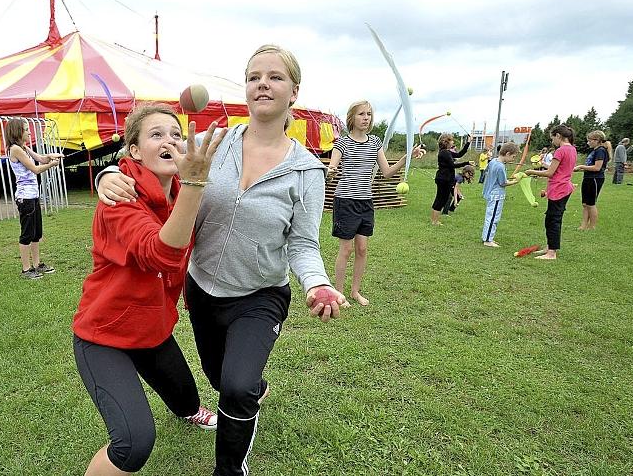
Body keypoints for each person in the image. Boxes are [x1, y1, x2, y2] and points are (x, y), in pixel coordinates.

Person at [97, 44, 346, 476]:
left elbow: (304, 244)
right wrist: (108, 175)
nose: (262, 84)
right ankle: (253, 388)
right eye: (254, 77)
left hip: (259, 294)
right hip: (203, 289)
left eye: (274, 77)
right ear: (246, 89)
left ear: (294, 92)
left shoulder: (307, 171)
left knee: (235, 386)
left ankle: (230, 469)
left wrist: (317, 282)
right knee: (219, 376)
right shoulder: (213, 144)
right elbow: (149, 161)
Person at [73, 103, 226, 475]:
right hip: (104, 337)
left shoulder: (178, 190)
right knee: (133, 444)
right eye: (156, 134)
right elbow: (160, 254)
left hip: (153, 331)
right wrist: (192, 184)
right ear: (135, 151)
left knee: (187, 400)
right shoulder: (120, 198)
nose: (170, 141)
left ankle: (190, 411)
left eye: (176, 134)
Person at [326, 100, 423, 306]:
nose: (366, 118)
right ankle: (339, 293)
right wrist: (330, 172)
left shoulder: (375, 142)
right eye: (361, 114)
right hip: (346, 201)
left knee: (362, 249)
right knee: (346, 250)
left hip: (365, 202)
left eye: (369, 114)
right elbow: (332, 170)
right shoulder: (342, 143)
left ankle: (355, 291)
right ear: (352, 117)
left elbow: (387, 172)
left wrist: (407, 157)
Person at [4, 118, 63, 279]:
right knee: (27, 234)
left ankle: (37, 264)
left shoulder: (24, 148)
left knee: (36, 233)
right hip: (25, 198)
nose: (29, 132)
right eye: (26, 129)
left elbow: (41, 159)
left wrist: (51, 156)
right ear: (18, 132)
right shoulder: (15, 149)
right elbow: (36, 169)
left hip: (33, 196)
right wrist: (51, 165)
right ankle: (26, 269)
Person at [525, 124, 576, 260]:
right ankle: (549, 247)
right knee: (550, 218)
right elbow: (558, 168)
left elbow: (550, 173)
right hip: (564, 188)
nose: (552, 141)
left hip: (559, 189)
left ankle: (551, 253)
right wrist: (542, 165)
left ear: (558, 136)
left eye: (552, 138)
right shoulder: (572, 149)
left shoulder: (560, 151)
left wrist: (531, 172)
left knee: (553, 220)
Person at [481, 142, 520, 247]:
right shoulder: (500, 166)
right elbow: (503, 183)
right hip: (496, 195)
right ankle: (488, 240)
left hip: (491, 194)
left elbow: (490, 173)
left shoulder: (493, 161)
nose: (513, 159)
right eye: (513, 156)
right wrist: (516, 181)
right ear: (507, 154)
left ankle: (488, 237)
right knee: (493, 217)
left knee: (491, 216)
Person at [430, 133, 471, 225]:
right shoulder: (444, 152)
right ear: (446, 141)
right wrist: (466, 163)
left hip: (443, 178)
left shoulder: (446, 151)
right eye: (452, 140)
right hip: (444, 179)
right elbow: (452, 165)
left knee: (440, 199)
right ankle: (435, 221)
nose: (453, 141)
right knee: (442, 199)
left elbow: (459, 154)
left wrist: (468, 142)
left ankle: (434, 220)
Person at [573, 130, 609, 230]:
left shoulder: (600, 151)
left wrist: (581, 166)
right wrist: (581, 169)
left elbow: (597, 167)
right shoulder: (594, 151)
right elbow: (590, 166)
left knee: (591, 204)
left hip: (595, 179)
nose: (588, 143)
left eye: (589, 141)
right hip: (588, 178)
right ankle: (583, 225)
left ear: (597, 140)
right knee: (585, 204)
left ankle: (592, 226)